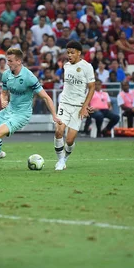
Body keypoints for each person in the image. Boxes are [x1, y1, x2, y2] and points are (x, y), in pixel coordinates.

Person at [0, 48, 62, 175]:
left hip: (21, 114)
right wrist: (3, 100)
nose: (8, 63)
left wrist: (54, 115)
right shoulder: (6, 74)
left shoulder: (29, 77)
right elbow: (4, 93)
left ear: (19, 61)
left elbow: (46, 97)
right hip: (8, 110)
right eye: (7, 60)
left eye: (10, 61)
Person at [54, 41, 95, 171]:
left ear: (79, 53)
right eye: (68, 53)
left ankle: (65, 158)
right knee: (58, 131)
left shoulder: (87, 67)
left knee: (70, 140)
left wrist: (85, 106)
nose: (69, 55)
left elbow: (92, 88)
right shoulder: (66, 66)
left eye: (72, 52)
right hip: (64, 103)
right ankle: (60, 160)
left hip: (78, 107)